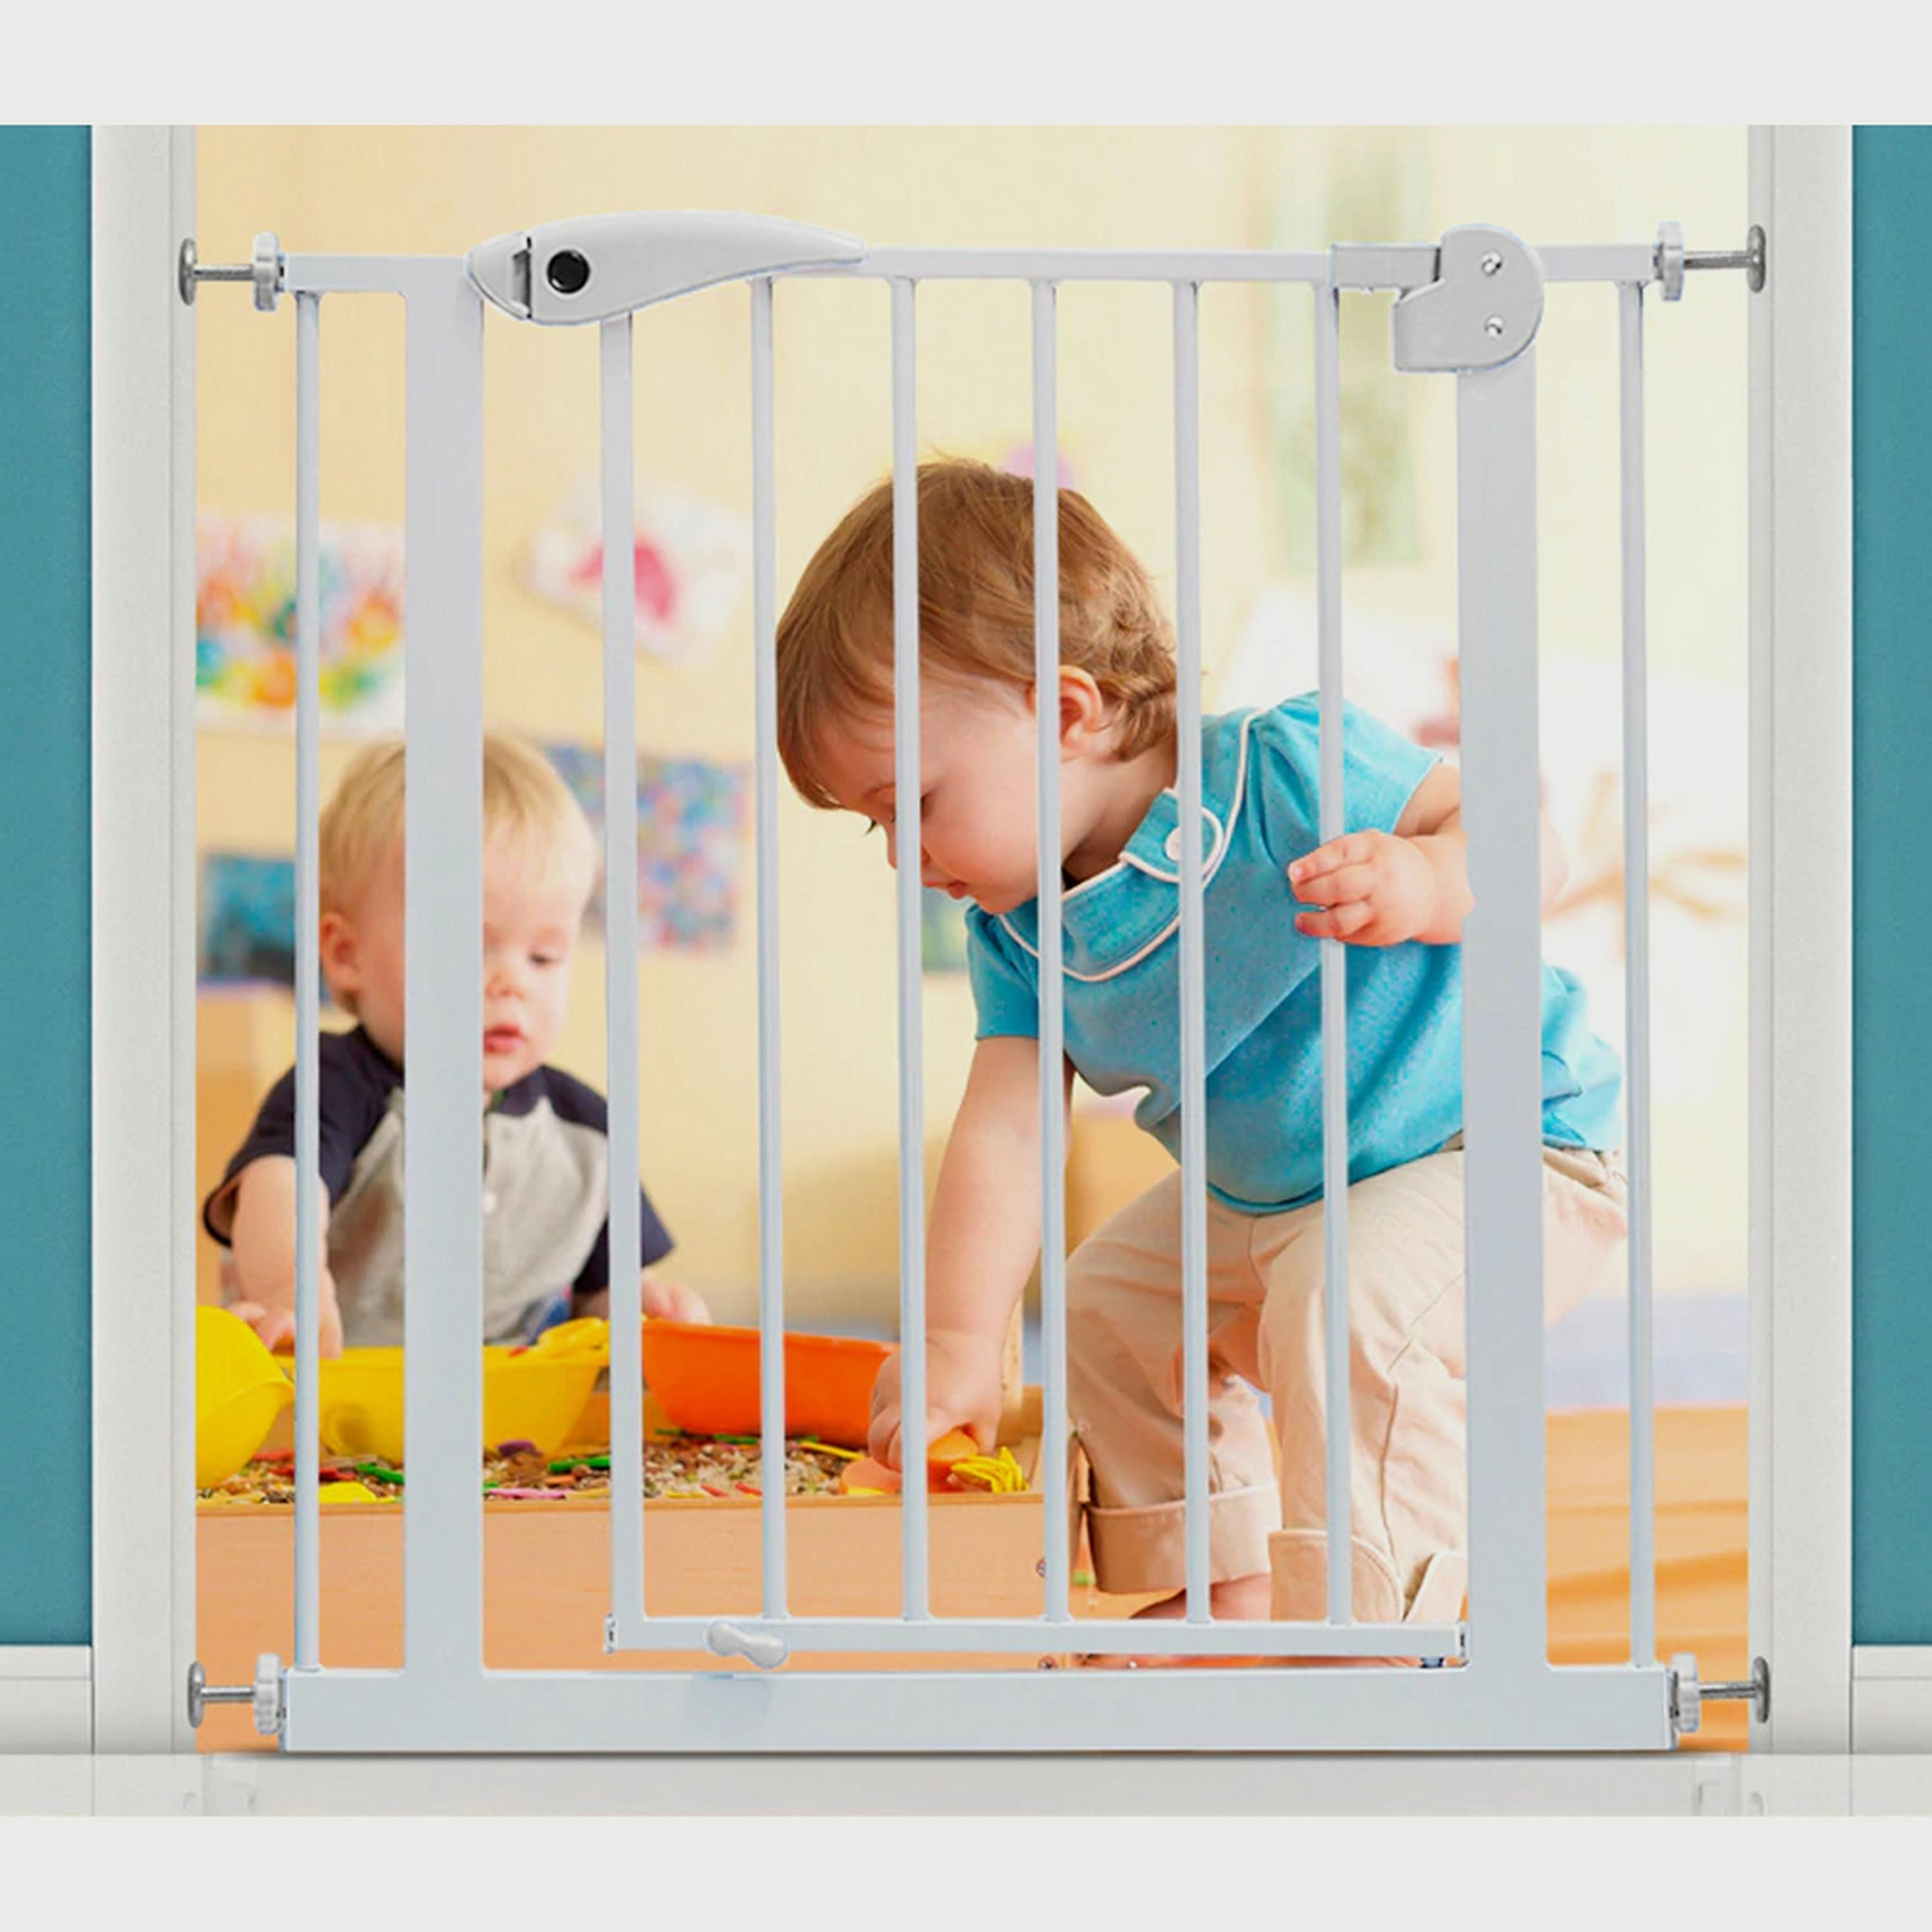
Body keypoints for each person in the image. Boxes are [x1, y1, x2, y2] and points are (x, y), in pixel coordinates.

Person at [774, 458, 1627, 1647]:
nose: (898, 856)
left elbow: (1523, 840)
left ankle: (1373, 1636)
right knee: (1108, 1304)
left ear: (1063, 713)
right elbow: (1006, 1134)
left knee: (1347, 1298)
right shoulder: (1021, 931)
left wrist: (1433, 876)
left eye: (909, 801)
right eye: (872, 823)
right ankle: (1227, 1584)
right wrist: (960, 1339)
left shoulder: (1286, 769)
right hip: (1277, 1200)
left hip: (1498, 1152)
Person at [202, 730, 709, 1354]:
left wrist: (642, 1307)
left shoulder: (585, 1132)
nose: (512, 983)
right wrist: (288, 1291)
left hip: (512, 1409)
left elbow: (600, 1295)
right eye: (468, 946)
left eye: (545, 956)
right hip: (344, 1399)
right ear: (346, 955)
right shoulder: (335, 1086)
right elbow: (280, 1186)